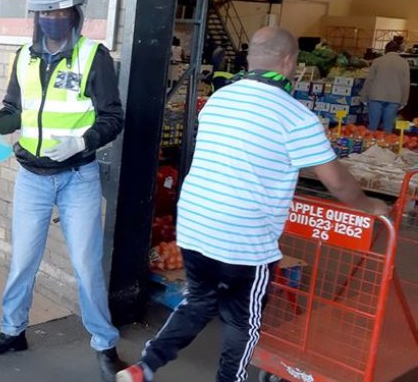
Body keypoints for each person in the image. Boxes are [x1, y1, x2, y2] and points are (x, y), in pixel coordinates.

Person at [116, 27, 388, 382]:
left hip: (197, 225)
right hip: (244, 237)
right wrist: (369, 205)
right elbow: (336, 181)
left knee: (198, 301)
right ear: (289, 61)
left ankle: (145, 366)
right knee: (243, 320)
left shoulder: (220, 99)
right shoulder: (296, 117)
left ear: (250, 59)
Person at [0, 0, 126, 382]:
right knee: (22, 261)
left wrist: (81, 141)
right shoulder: (24, 57)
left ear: (75, 15)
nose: (52, 20)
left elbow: (113, 117)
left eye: (60, 13)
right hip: (32, 178)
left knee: (87, 267)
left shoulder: (93, 57)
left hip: (78, 177)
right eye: (45, 14)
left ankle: (105, 345)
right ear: (36, 18)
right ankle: (12, 332)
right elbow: (14, 110)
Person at [363, 41, 411, 133]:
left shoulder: (377, 61)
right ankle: (386, 141)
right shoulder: (404, 63)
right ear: (397, 50)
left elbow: (369, 80)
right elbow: (406, 83)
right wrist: (404, 101)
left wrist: (364, 96)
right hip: (394, 98)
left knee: (372, 126)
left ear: (386, 50)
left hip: (376, 96)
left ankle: (371, 141)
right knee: (388, 127)